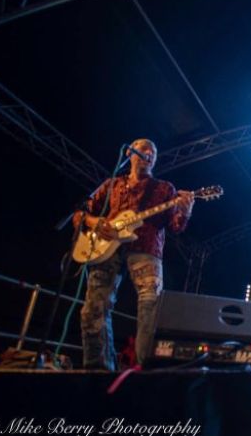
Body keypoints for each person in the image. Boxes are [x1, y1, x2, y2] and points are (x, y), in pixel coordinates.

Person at [73, 139, 194, 370]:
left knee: (150, 304)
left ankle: (143, 369)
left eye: (154, 151)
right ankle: (98, 369)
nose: (150, 153)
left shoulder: (164, 188)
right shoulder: (112, 184)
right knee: (94, 307)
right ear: (130, 153)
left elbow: (175, 226)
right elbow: (81, 214)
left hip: (146, 249)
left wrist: (185, 212)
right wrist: (94, 222)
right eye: (144, 149)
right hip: (106, 248)